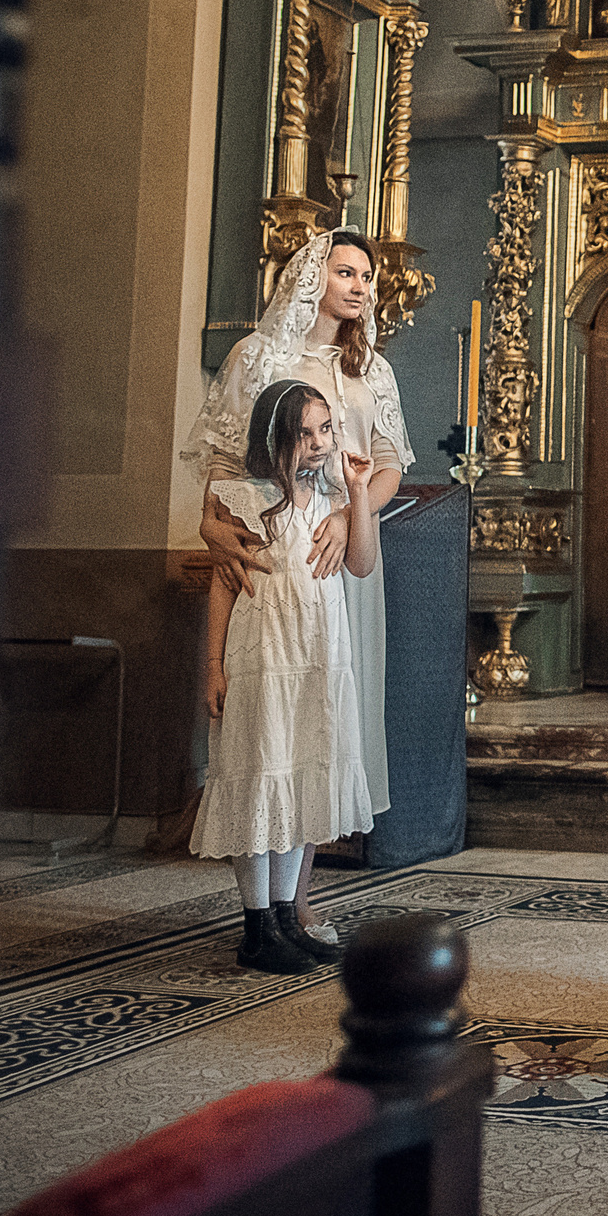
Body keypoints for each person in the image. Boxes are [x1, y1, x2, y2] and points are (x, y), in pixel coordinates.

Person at [183, 229, 408, 938]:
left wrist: (349, 516)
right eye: (346, 270)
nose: (360, 285)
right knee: (273, 728)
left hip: (340, 565)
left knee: (324, 722)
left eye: (367, 275)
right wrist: (213, 528)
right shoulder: (259, 356)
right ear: (310, 275)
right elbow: (224, 465)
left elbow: (389, 463)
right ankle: (271, 907)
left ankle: (300, 897)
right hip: (270, 560)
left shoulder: (371, 369)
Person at [193, 380, 377, 974]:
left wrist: (357, 496)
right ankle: (256, 927)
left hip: (318, 659)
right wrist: (213, 665)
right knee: (259, 778)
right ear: (275, 438)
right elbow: (223, 583)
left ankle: (283, 919)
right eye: (307, 433)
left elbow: (363, 563)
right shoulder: (241, 501)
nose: (321, 444)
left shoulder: (332, 505)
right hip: (263, 660)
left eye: (327, 430)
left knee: (301, 779)